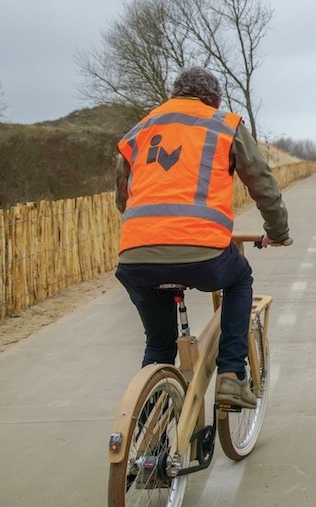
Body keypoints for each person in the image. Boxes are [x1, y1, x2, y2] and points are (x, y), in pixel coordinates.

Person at [114, 67, 290, 409]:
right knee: (240, 279)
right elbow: (263, 184)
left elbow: (123, 197)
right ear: (215, 100)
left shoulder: (139, 130)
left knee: (159, 345)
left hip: (136, 256)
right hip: (203, 253)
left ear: (175, 94)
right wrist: (278, 232)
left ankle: (150, 430)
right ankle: (231, 375)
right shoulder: (224, 125)